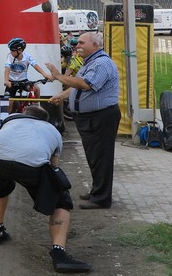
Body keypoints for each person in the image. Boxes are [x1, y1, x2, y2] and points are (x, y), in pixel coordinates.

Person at [0, 105, 91, 273]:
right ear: (45, 121)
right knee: (61, 199)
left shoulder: (11, 118)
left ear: (24, 113)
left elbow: (7, 142)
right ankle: (59, 254)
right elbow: (53, 167)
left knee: (0, 187)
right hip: (30, 161)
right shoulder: (53, 131)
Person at [46, 32, 120, 210]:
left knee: (100, 157)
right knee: (94, 157)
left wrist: (57, 75)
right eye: (77, 43)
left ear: (95, 45)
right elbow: (76, 87)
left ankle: (102, 198)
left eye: (81, 43)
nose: (77, 46)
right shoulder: (90, 62)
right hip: (91, 118)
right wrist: (62, 96)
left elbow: (86, 85)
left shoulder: (101, 63)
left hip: (101, 117)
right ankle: (98, 191)